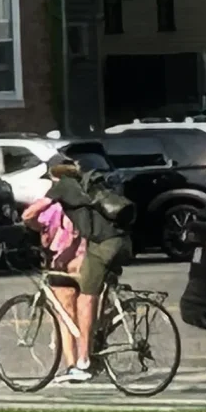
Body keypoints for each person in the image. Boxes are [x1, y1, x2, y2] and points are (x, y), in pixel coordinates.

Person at [38, 154, 133, 384]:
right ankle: (95, 350)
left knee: (77, 307)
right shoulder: (89, 189)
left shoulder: (60, 195)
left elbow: (37, 221)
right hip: (114, 245)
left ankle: (80, 362)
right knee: (94, 302)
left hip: (78, 257)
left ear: (54, 175)